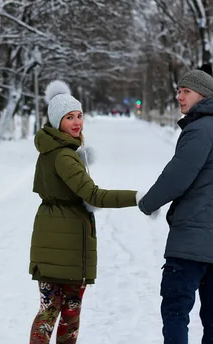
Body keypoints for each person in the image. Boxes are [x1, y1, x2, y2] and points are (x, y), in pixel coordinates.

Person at [29, 80, 140, 344]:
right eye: (69, 118)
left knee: (48, 310)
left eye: (79, 116)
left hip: (49, 237)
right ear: (57, 122)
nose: (77, 122)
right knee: (68, 313)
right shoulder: (65, 157)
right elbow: (94, 195)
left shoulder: (51, 151)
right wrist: (138, 198)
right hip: (67, 242)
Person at [137, 69, 213, 344]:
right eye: (179, 91)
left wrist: (148, 203)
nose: (179, 97)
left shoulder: (199, 131)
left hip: (190, 244)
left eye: (186, 91)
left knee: (175, 311)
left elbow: (177, 177)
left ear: (203, 95)